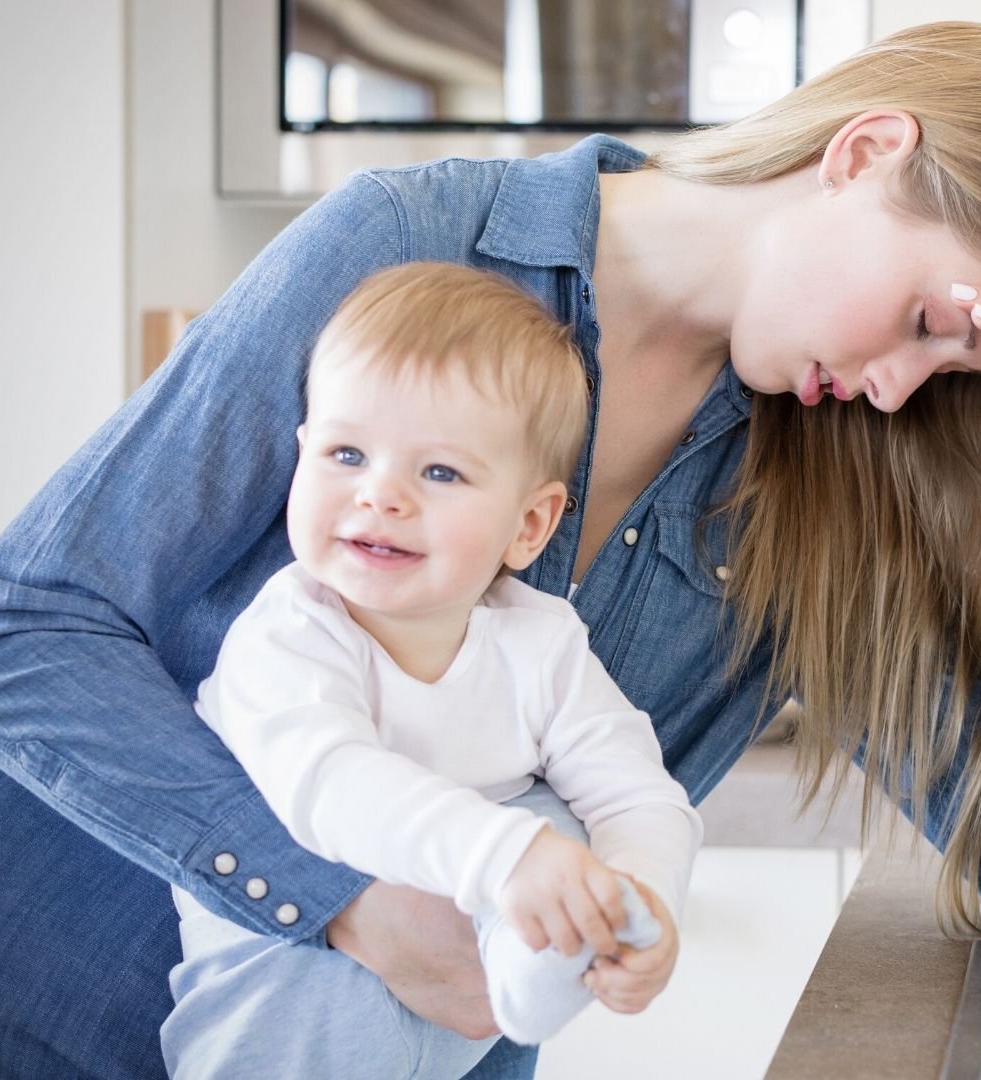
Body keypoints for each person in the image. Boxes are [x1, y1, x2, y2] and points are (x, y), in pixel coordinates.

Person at [0, 20, 981, 1080]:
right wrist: (350, 904)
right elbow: (12, 636)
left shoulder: (823, 489)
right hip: (22, 998)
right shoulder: (407, 244)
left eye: (946, 370)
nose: (900, 390)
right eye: (918, 322)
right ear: (864, 153)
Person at [160, 262, 701, 1078]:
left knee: (566, 822)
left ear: (529, 525)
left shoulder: (540, 644)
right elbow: (330, 786)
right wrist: (509, 858)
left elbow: (639, 792)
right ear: (302, 456)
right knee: (530, 836)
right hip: (292, 986)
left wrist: (638, 900)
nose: (380, 495)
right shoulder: (288, 634)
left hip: (461, 996)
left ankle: (542, 959)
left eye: (439, 472)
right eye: (346, 453)